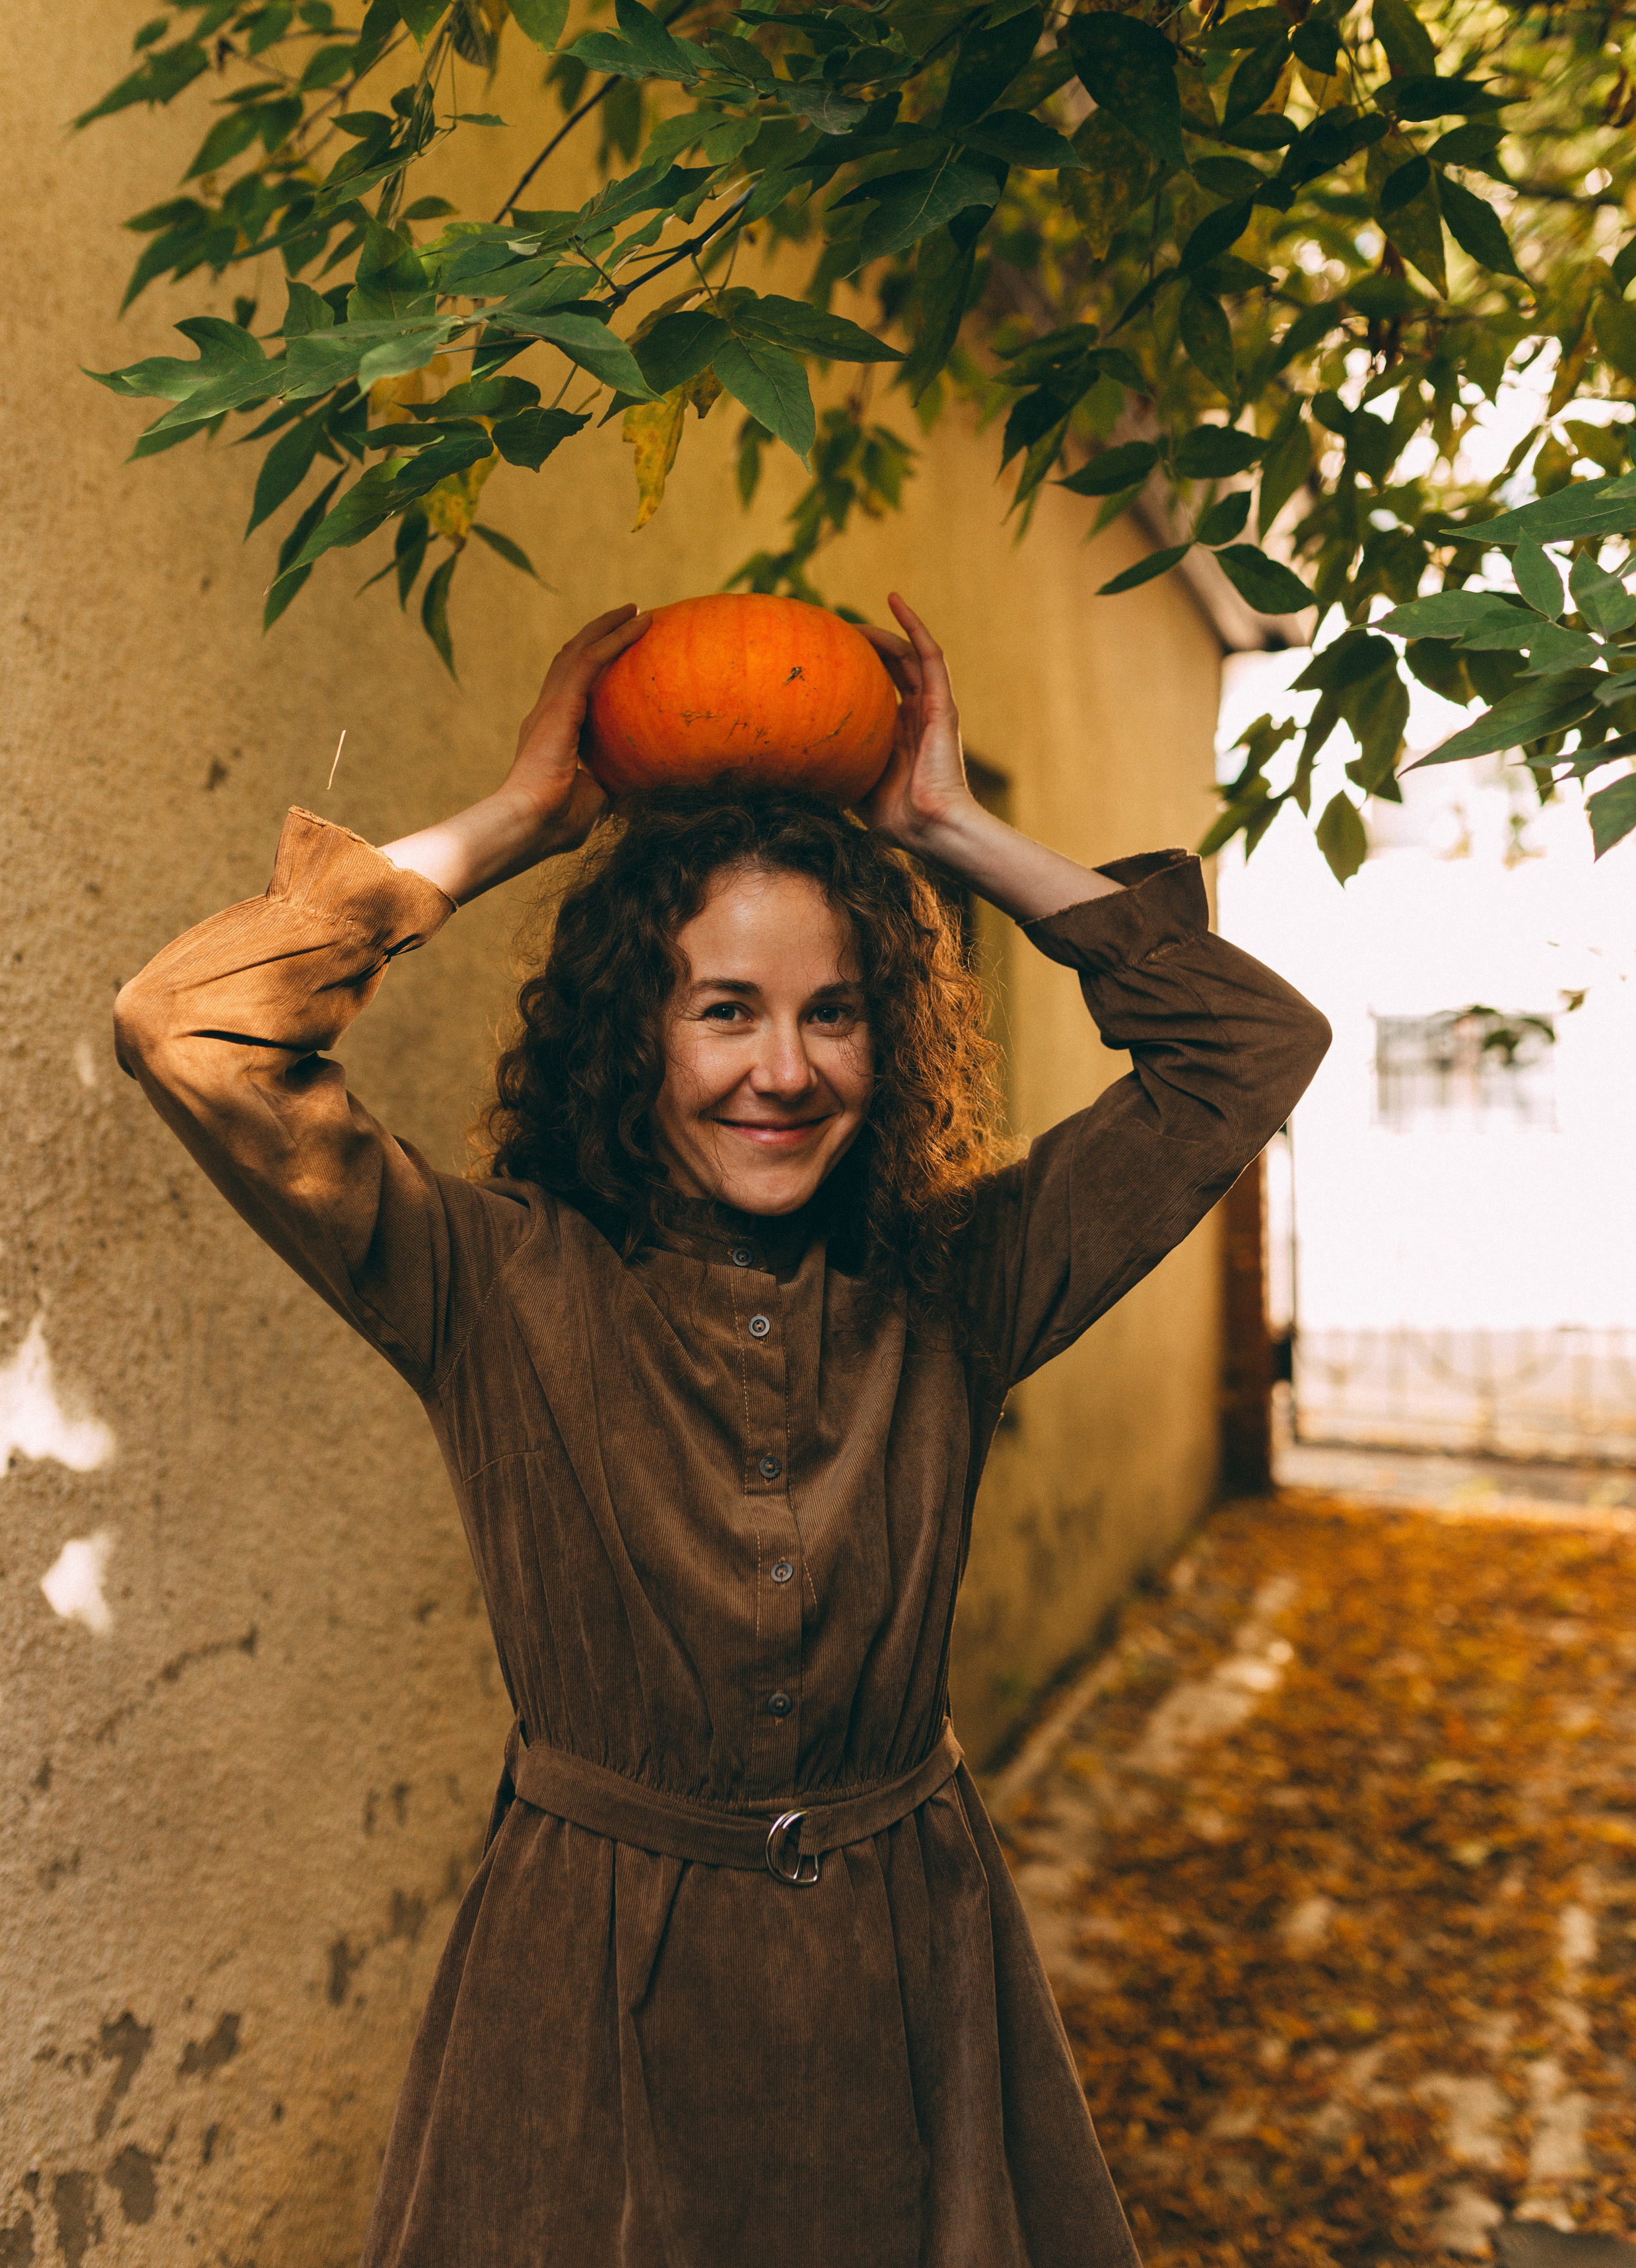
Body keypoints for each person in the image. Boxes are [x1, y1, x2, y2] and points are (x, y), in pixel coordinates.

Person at [114, 593, 1330, 2268]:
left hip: (902, 1970)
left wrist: (950, 829)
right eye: (722, 1009)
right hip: (591, 1984)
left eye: (831, 1011)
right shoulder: (490, 1280)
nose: (786, 1070)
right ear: (634, 1034)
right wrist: (512, 826)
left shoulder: (956, 1287)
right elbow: (192, 1029)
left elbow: (1244, 1052)